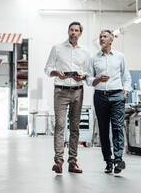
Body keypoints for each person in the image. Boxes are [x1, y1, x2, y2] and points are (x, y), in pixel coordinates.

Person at [44, 21, 89, 174]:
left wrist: (83, 76)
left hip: (78, 91)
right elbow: (47, 69)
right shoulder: (57, 48)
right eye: (71, 30)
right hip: (60, 91)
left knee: (75, 128)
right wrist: (56, 73)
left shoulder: (85, 51)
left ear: (80, 34)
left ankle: (73, 162)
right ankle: (58, 161)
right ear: (68, 31)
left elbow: (88, 72)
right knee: (60, 125)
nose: (73, 33)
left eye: (77, 30)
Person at [86, 30, 132, 174]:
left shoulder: (120, 57)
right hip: (100, 96)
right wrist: (98, 79)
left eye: (105, 36)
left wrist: (125, 92)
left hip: (117, 96)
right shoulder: (94, 58)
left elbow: (126, 77)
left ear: (111, 40)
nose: (101, 39)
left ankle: (118, 160)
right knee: (104, 130)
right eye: (100, 37)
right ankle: (108, 161)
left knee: (118, 128)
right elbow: (88, 79)